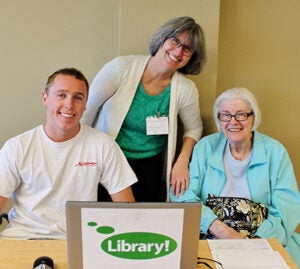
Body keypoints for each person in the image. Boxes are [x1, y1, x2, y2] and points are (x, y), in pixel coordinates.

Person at [0, 67, 137, 239]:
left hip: (79, 240)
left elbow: (128, 210)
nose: (69, 104)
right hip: (22, 238)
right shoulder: (16, 147)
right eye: (61, 95)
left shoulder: (103, 145)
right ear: (45, 98)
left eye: (78, 98)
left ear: (85, 105)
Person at [170, 87, 300, 267]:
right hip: (210, 233)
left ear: (253, 117)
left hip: (262, 238)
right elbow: (182, 195)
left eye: (241, 114)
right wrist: (217, 228)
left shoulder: (275, 151)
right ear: (219, 119)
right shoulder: (205, 147)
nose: (233, 122)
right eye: (225, 115)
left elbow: (288, 206)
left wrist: (255, 239)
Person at [81, 16, 206, 202]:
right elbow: (87, 109)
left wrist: (182, 161)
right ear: (162, 40)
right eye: (175, 41)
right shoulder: (120, 68)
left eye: (187, 48)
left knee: (140, 220)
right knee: (104, 218)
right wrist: (81, 153)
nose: (178, 51)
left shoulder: (185, 90)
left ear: (192, 56)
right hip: (110, 158)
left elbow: (194, 128)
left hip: (150, 165)